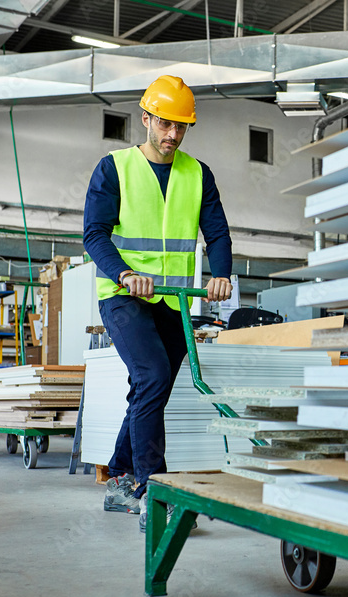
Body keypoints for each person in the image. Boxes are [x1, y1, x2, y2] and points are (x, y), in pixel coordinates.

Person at [83, 75, 233, 532]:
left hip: (173, 300)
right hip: (124, 296)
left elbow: (219, 232)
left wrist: (221, 275)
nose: (172, 135)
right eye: (165, 124)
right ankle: (154, 489)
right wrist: (125, 274)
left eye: (181, 127)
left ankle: (119, 477)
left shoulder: (197, 173)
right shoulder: (113, 168)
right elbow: (94, 234)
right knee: (153, 375)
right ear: (145, 119)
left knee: (152, 388)